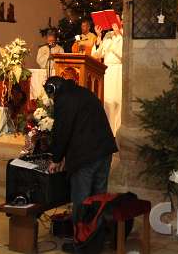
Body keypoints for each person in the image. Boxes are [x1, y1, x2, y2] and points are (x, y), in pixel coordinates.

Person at [46, 76, 118, 247]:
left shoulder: (64, 99)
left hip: (85, 156)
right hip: (104, 151)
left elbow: (62, 130)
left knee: (82, 199)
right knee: (98, 198)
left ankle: (81, 241)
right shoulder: (85, 93)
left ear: (52, 90)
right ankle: (96, 237)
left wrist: (56, 158)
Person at [92, 15, 123, 136]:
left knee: (117, 101)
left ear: (120, 21)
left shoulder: (123, 35)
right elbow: (97, 54)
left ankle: (118, 131)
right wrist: (99, 37)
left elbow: (122, 54)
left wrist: (118, 35)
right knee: (107, 101)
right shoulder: (107, 35)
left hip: (118, 70)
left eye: (116, 19)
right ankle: (107, 130)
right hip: (107, 71)